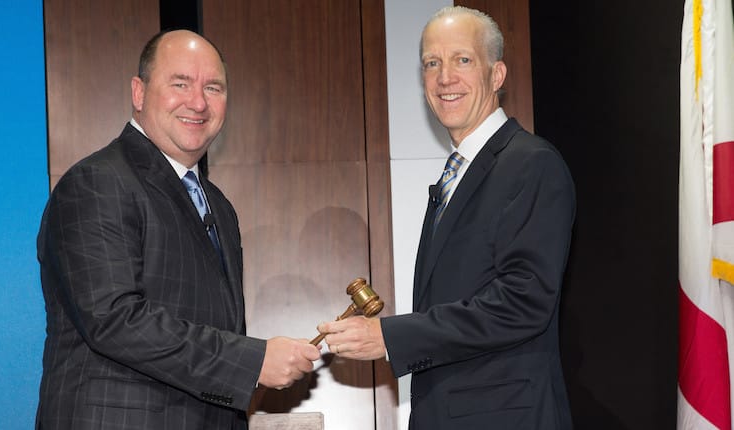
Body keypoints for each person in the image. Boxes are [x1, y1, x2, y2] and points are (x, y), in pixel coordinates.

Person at [36, 30, 320, 429]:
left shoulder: (218, 205)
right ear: (139, 92)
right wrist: (253, 360)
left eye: (213, 87)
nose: (198, 102)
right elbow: (113, 319)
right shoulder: (97, 182)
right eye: (180, 83)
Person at [317, 6, 575, 429]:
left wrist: (389, 337)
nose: (445, 77)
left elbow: (523, 302)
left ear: (497, 75)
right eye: (431, 63)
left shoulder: (531, 164)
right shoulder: (457, 174)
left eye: (463, 60)